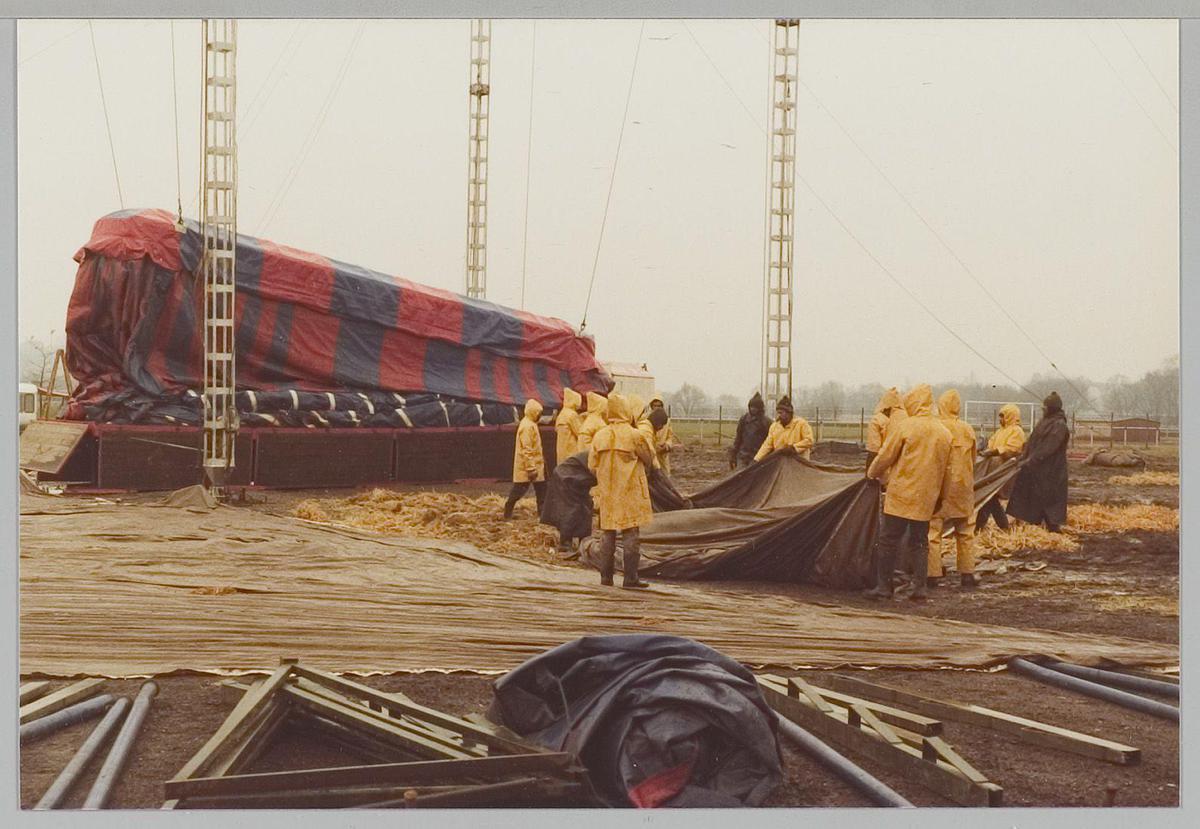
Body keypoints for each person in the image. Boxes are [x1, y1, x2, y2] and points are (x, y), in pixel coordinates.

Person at [864, 384, 951, 601]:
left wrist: (872, 473)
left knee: (888, 540)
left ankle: (884, 587)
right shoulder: (944, 433)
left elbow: (886, 455)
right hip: (926, 496)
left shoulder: (905, 427)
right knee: (920, 541)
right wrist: (942, 496)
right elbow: (947, 470)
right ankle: (919, 587)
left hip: (901, 494)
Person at [588, 393, 656, 588]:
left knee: (607, 532)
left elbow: (591, 465)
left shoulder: (600, 435)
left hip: (607, 491)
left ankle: (606, 577)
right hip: (629, 490)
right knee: (631, 532)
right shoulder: (635, 435)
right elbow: (649, 457)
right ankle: (630, 578)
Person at [926, 389, 979, 588]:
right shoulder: (967, 429)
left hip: (939, 485)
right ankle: (967, 573)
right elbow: (973, 458)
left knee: (933, 531)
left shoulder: (935, 427)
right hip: (963, 486)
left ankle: (932, 574)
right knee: (965, 531)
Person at [1006, 392, 1071, 532]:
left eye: (1045, 407)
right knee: (1035, 498)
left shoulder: (1059, 425)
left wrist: (1031, 460)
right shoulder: (1044, 422)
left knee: (1050, 501)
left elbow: (1048, 448)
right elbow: (1031, 442)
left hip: (1052, 471)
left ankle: (1053, 528)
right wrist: (1023, 456)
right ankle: (1036, 524)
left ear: (1052, 408)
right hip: (1038, 469)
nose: (1043, 409)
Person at [975, 403, 1027, 531]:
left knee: (990, 495)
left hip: (1006, 470)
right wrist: (984, 450)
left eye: (1002, 416)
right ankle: (996, 526)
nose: (1000, 419)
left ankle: (986, 526)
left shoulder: (1017, 431)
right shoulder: (1000, 431)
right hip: (995, 469)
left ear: (1010, 416)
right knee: (990, 496)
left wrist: (994, 452)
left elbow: (1012, 449)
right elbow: (991, 444)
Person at [540, 450, 596, 557]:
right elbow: (596, 472)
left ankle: (583, 542)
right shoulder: (603, 454)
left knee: (586, 507)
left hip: (578, 479)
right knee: (571, 509)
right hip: (565, 477)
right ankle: (565, 544)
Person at [503, 399, 547, 519]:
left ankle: (542, 514)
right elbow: (527, 449)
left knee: (541, 490)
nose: (540, 416)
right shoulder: (527, 426)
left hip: (534, 465)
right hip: (528, 467)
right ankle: (508, 510)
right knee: (519, 490)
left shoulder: (530, 424)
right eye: (538, 413)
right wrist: (531, 468)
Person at [753, 396, 814, 462]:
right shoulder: (774, 426)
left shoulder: (801, 424)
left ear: (788, 413)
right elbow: (767, 445)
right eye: (778, 413)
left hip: (799, 462)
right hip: (781, 462)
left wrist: (794, 448)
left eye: (781, 413)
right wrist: (756, 459)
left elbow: (809, 440)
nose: (778, 415)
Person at [865, 387, 905, 471]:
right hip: (903, 468)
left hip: (883, 468)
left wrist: (869, 474)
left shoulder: (877, 420)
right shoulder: (907, 419)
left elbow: (873, 450)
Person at [729, 392, 772, 470]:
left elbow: (770, 441)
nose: (753, 409)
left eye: (755, 407)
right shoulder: (744, 419)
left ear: (760, 408)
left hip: (759, 457)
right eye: (751, 406)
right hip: (743, 455)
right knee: (741, 475)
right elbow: (738, 438)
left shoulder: (766, 422)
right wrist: (733, 454)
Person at [647, 395, 678, 475]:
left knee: (665, 475)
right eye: (655, 405)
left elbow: (670, 437)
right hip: (651, 454)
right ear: (651, 406)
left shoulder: (667, 421)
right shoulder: (646, 421)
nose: (657, 408)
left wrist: (667, 445)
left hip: (663, 455)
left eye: (659, 406)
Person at [554, 388, 583, 468]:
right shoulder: (572, 414)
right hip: (571, 450)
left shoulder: (562, 414)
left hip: (561, 449)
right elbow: (580, 432)